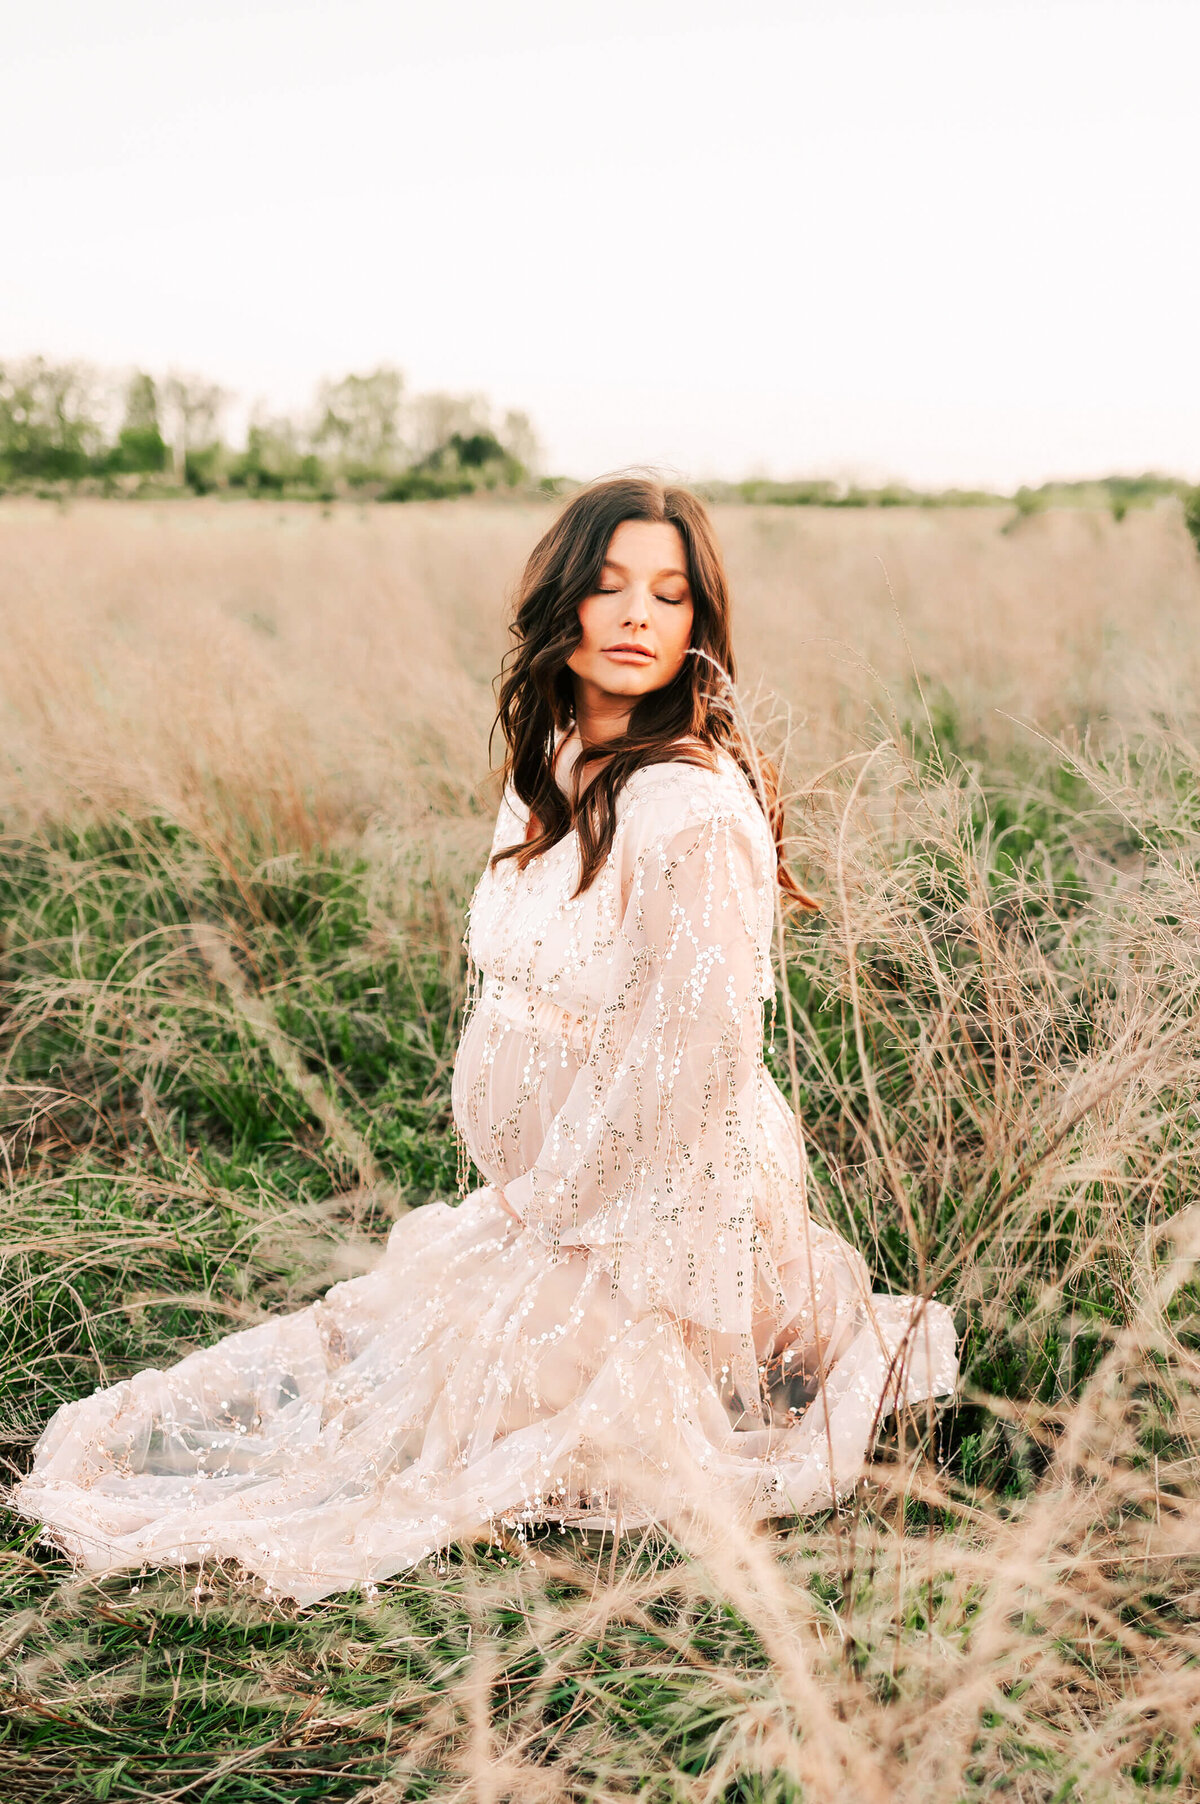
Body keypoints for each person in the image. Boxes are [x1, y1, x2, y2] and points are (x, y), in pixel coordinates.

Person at [11, 477, 956, 1606]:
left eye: (668, 593)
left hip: (646, 1209)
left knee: (444, 1418)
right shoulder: (555, 759)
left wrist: (550, 1198)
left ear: (700, 622)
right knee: (372, 1363)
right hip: (551, 1199)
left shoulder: (686, 811)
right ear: (563, 605)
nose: (638, 616)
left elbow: (688, 1059)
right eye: (608, 587)